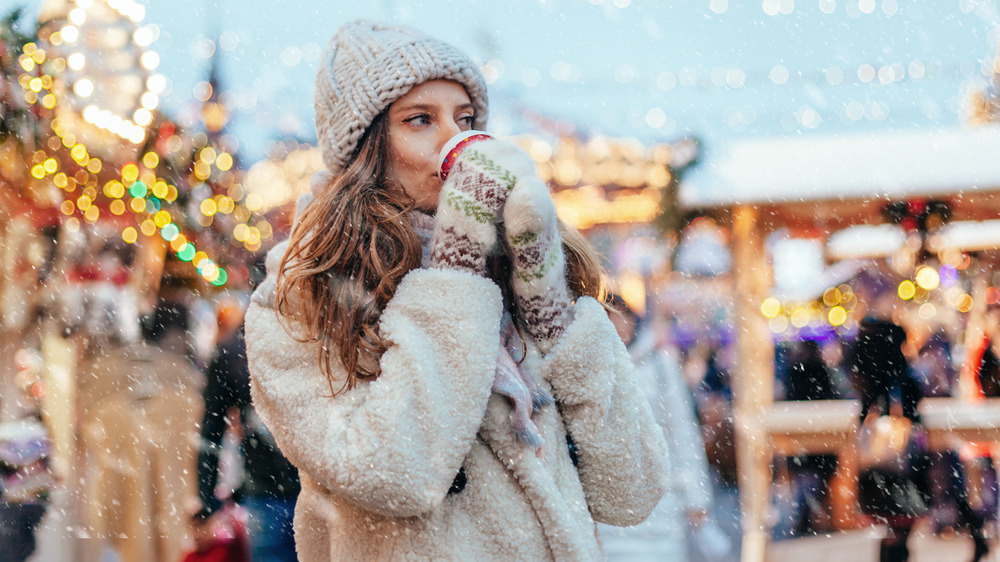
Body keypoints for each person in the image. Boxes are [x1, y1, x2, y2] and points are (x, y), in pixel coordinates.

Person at [244, 20, 669, 561]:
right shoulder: (303, 296)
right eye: (420, 119)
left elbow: (630, 492)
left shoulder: (509, 272)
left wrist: (550, 314)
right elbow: (395, 473)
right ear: (365, 149)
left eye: (465, 118)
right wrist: (455, 270)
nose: (456, 140)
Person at [597, 295, 721, 561]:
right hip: (608, 504)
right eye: (610, 319)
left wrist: (697, 501)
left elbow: (682, 433)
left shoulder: (660, 365)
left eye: (622, 318)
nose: (619, 327)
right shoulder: (588, 369)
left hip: (659, 497)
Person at [195, 296, 300, 561]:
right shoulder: (312, 338)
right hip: (278, 492)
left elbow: (210, 431)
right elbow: (210, 431)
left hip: (272, 493)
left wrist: (208, 503)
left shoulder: (234, 349)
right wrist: (207, 502)